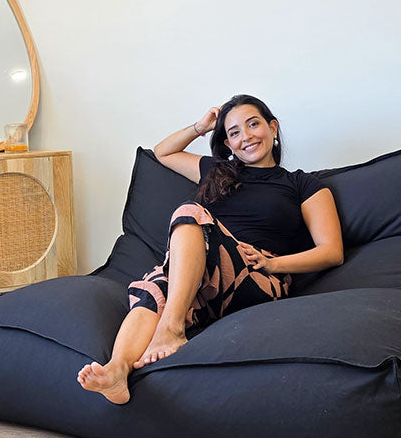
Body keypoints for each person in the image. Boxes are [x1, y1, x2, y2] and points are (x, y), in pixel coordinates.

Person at [77, 94, 343, 404]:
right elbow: (163, 153)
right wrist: (200, 127)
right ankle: (116, 372)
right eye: (234, 133)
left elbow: (331, 250)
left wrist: (273, 264)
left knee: (189, 213)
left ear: (273, 128)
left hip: (257, 276)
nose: (246, 137)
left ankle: (172, 328)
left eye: (253, 124)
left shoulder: (303, 184)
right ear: (228, 145)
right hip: (201, 278)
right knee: (157, 286)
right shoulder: (218, 172)